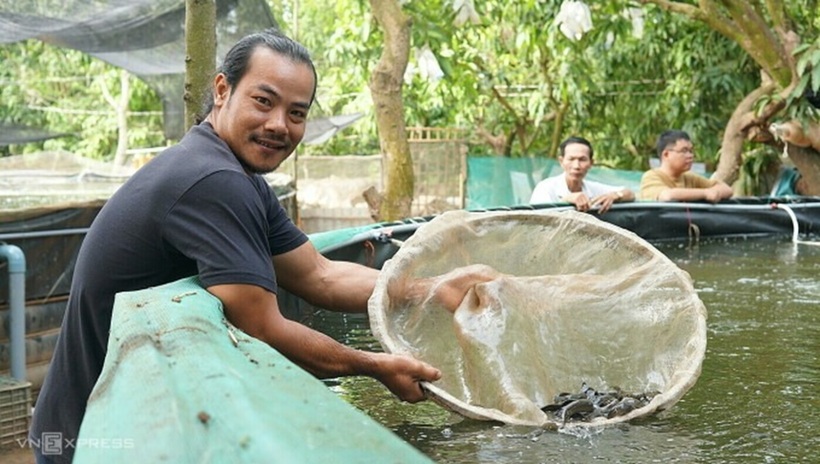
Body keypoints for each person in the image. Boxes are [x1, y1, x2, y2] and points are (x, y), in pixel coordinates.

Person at [30, 29, 491, 464]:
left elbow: (320, 276)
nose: (278, 125)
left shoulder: (235, 174)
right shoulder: (214, 180)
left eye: (296, 113)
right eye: (263, 101)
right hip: (96, 434)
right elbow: (265, 328)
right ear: (222, 90)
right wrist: (376, 366)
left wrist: (429, 289)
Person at [529, 136, 634, 213]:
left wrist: (616, 195)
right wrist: (566, 200)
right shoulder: (545, 188)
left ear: (591, 163)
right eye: (571, 159)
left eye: (582, 159)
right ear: (561, 161)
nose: (576, 165)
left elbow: (630, 193)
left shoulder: (593, 189)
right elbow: (539, 221)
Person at [639, 130, 733, 202]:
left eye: (691, 151)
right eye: (684, 151)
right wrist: (705, 193)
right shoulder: (651, 177)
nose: (690, 156)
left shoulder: (689, 177)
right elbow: (667, 196)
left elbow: (726, 189)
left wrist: (714, 193)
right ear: (666, 154)